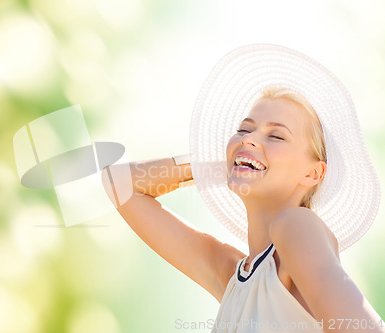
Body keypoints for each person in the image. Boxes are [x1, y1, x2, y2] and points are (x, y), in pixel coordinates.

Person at [101, 44, 384, 332]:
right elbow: (119, 183)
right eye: (244, 130)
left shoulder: (297, 225)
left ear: (313, 173)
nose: (250, 139)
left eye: (276, 136)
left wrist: (244, 158)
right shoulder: (233, 277)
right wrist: (223, 163)